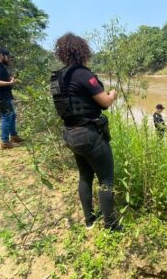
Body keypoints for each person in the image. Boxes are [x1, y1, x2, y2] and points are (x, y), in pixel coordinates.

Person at [51, 33, 122, 231]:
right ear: (83, 51)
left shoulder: (57, 78)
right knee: (106, 179)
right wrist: (113, 94)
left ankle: (89, 220)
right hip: (89, 135)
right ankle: (111, 225)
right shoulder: (82, 74)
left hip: (70, 134)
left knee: (85, 177)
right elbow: (105, 103)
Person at [0, 47, 24, 149]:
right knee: (6, 117)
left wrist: (9, 80)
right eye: (8, 57)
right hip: (1, 96)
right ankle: (5, 142)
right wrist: (9, 83)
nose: (9, 59)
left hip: (5, 95)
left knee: (12, 115)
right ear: (2, 55)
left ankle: (14, 136)